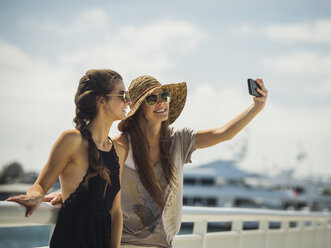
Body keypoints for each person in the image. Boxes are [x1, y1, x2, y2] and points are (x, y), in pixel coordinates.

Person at [47, 75, 268, 248]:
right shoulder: (118, 146)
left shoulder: (179, 140)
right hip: (121, 243)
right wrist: (64, 194)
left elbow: (224, 133)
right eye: (152, 98)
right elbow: (92, 180)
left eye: (165, 96)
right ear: (138, 107)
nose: (161, 102)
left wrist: (256, 107)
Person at [6, 69, 130, 248]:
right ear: (101, 100)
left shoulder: (119, 151)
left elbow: (116, 211)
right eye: (122, 94)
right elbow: (40, 184)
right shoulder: (72, 140)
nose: (128, 101)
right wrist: (34, 196)